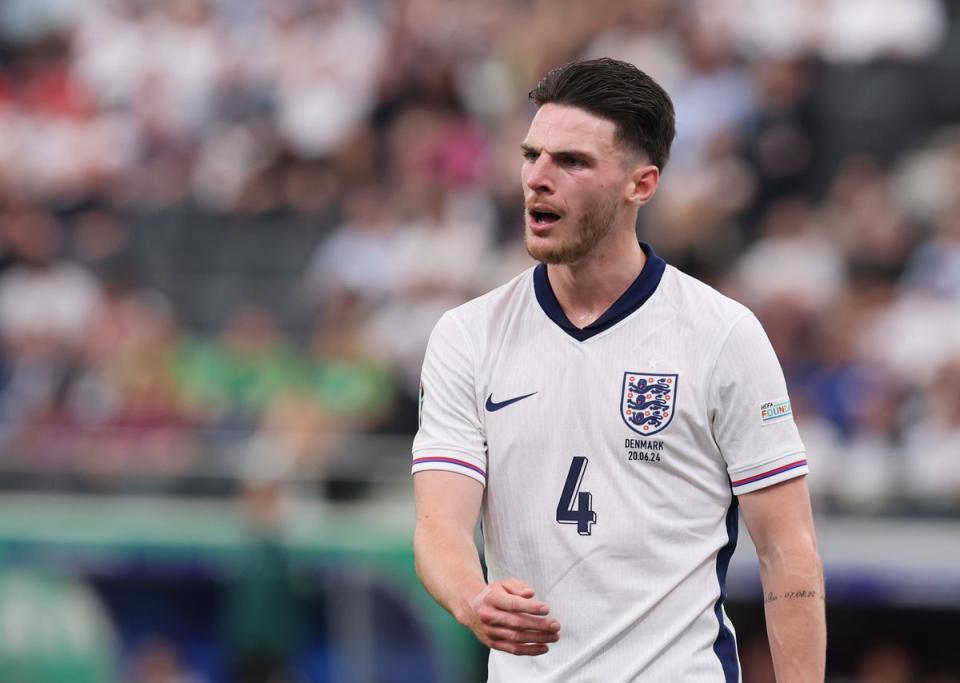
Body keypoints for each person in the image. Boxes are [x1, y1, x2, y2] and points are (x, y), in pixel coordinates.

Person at [411, 57, 825, 682]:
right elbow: (438, 525)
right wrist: (473, 598)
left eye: (572, 161)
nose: (537, 179)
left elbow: (787, 550)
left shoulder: (722, 334)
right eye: (532, 155)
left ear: (642, 184)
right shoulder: (467, 336)